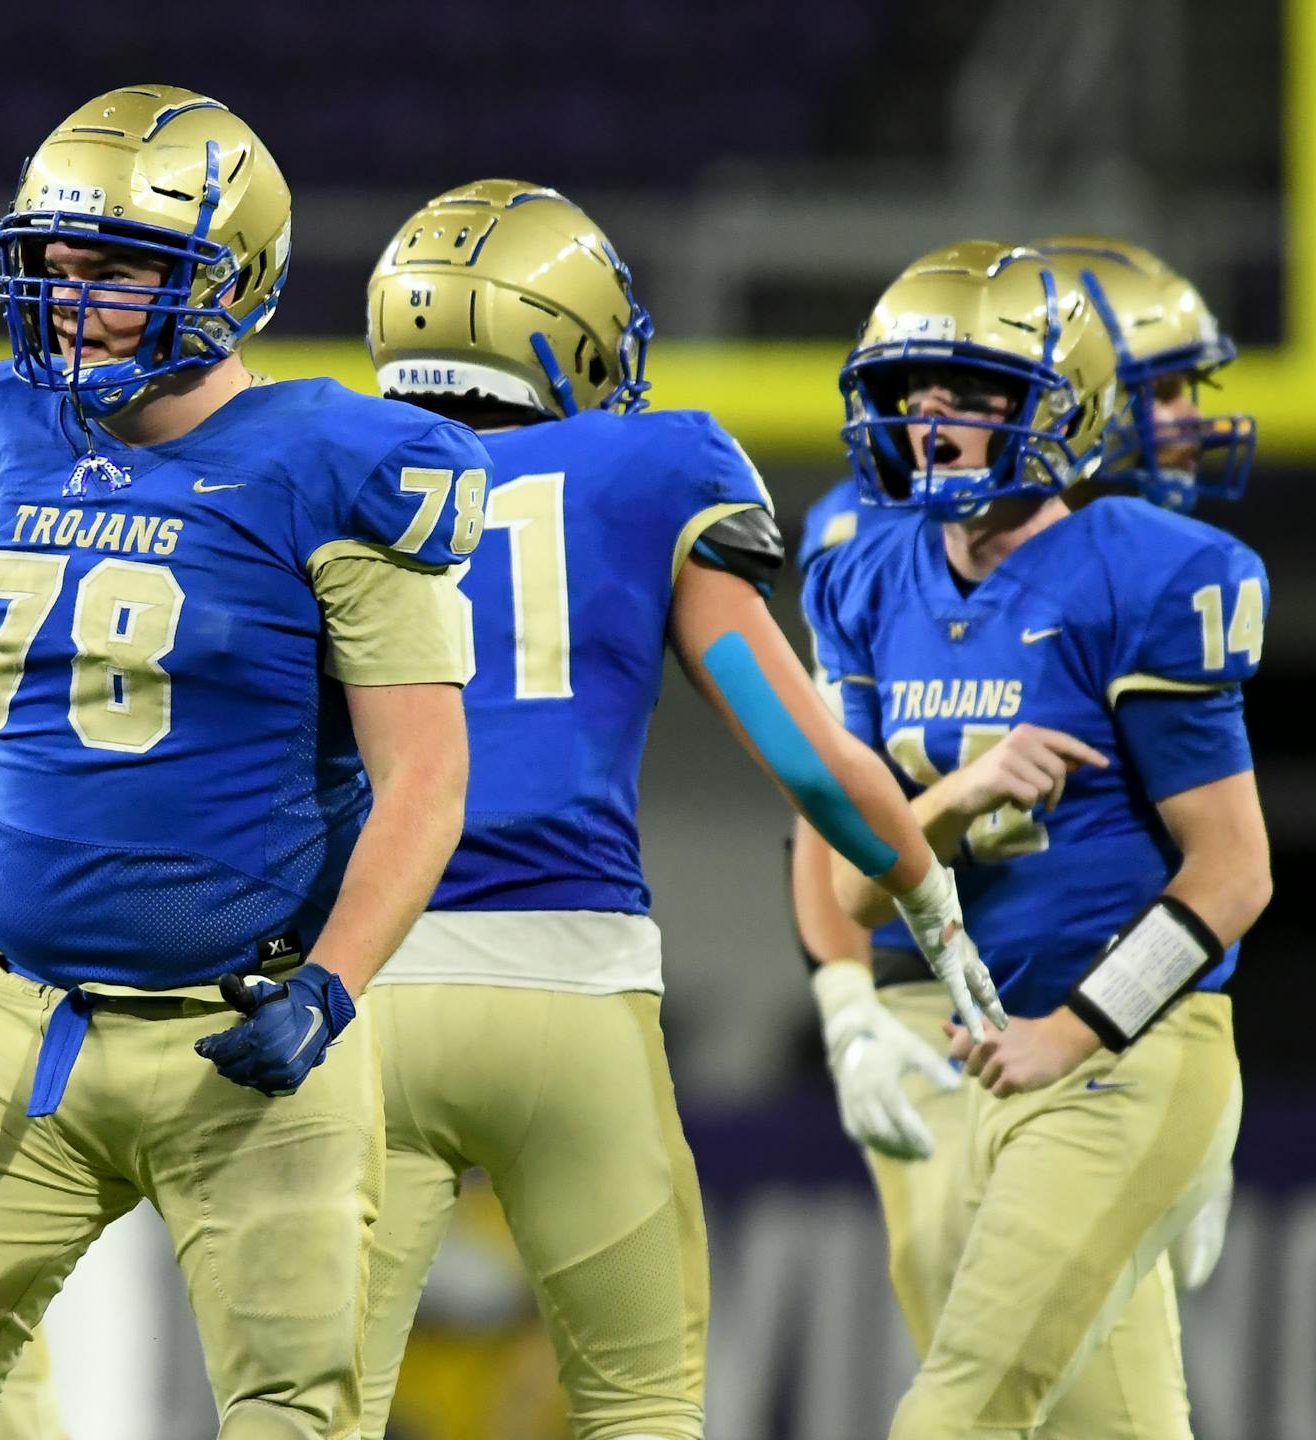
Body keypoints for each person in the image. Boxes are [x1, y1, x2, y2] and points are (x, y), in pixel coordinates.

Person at [0, 84, 487, 1439]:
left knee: (295, 1414)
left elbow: (427, 782)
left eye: (115, 269)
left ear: (232, 278)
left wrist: (334, 989)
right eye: (53, 266)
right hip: (22, 1016)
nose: (70, 301)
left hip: (252, 1024)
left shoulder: (335, 466)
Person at [352, 180, 1003, 1440]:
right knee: (642, 1410)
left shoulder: (313, 456)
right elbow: (805, 755)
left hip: (365, 985)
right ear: (563, 330)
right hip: (572, 995)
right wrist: (929, 898)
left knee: (310, 1407)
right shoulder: (649, 464)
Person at [802, 240, 1267, 1440]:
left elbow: (1235, 871)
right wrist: (955, 802)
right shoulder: (871, 572)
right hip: (991, 1048)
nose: (933, 425)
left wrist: (1078, 1026)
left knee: (952, 1417)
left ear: (1059, 409)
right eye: (918, 395)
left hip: (1120, 1051)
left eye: (974, 397)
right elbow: (858, 890)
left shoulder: (1144, 575)